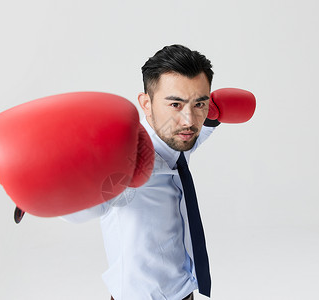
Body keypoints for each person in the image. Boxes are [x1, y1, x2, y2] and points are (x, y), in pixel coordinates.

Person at [62, 44, 217, 300]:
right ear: (146, 104)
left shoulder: (175, 136)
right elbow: (79, 211)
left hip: (183, 290)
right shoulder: (124, 158)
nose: (189, 120)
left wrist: (216, 117)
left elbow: (197, 136)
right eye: (175, 104)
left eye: (200, 103)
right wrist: (45, 184)